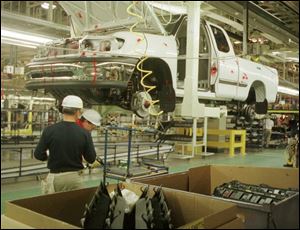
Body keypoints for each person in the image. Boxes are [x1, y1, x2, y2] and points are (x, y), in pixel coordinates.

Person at [34, 95, 96, 194]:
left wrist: (48, 158)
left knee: (52, 207)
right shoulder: (84, 133)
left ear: (63, 110)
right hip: (74, 179)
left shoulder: (49, 130)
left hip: (54, 178)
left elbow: (38, 154)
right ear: (78, 112)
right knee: (75, 208)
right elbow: (91, 158)